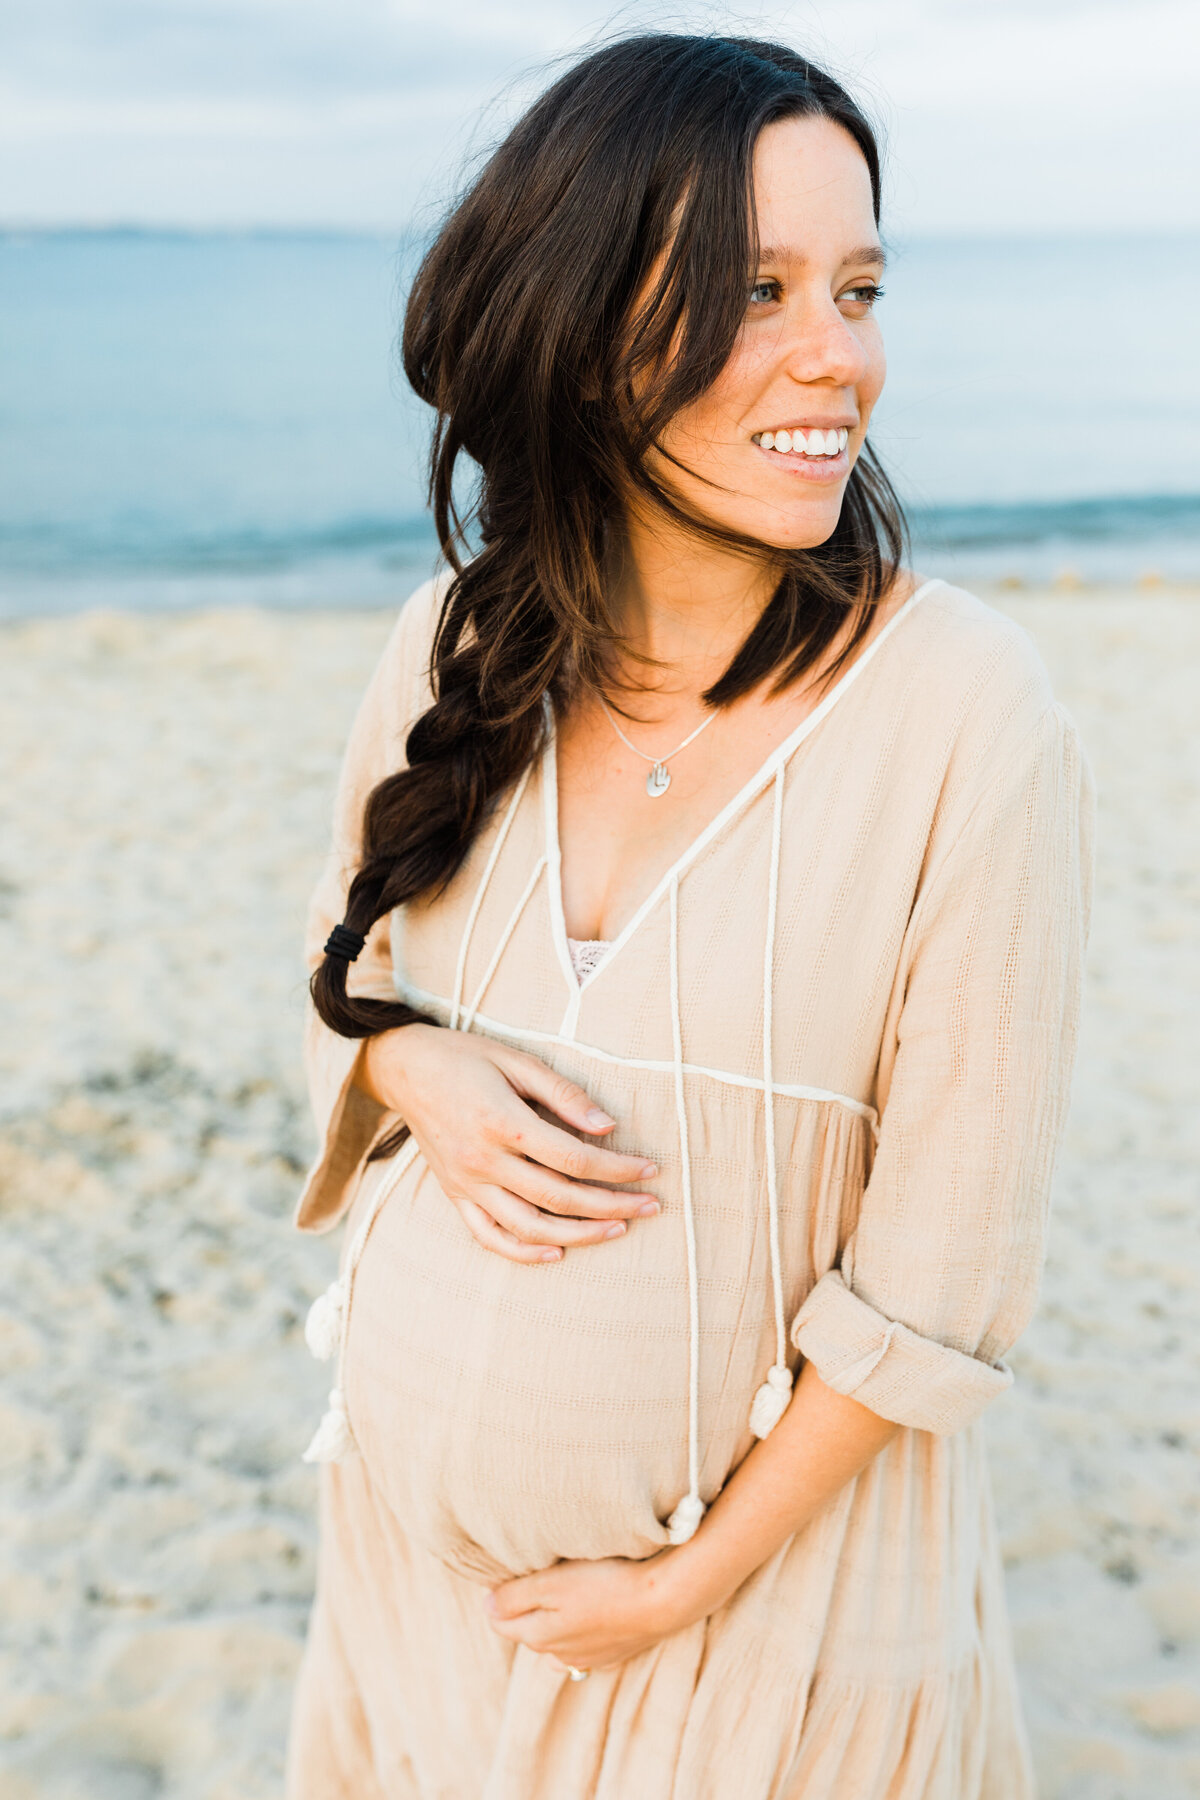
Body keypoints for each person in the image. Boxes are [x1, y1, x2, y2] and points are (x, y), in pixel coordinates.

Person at [285, 33, 1094, 1800]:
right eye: (756, 290)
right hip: (410, 1618)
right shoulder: (454, 652)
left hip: (766, 1651)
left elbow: (949, 1271)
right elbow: (341, 985)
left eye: (859, 286)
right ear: (578, 328)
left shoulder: (965, 707)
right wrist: (410, 1075)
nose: (840, 357)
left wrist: (684, 1583)